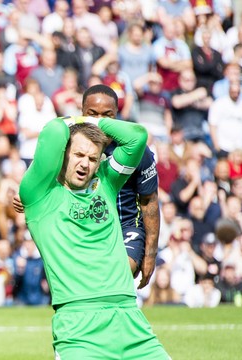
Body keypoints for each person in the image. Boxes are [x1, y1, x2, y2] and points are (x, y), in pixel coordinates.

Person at [18, 114, 169, 358]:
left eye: (92, 158)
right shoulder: (39, 194)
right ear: (64, 155)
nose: (85, 164)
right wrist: (80, 120)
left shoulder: (107, 183)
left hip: (130, 320)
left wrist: (93, 121)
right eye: (78, 155)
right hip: (79, 327)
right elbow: (54, 131)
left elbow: (137, 137)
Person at [15, 85, 161, 289]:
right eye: (92, 115)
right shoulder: (67, 145)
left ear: (117, 115)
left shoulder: (136, 151)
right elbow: (40, 178)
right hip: (85, 224)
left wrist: (151, 253)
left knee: (118, 275)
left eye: (107, 116)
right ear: (81, 113)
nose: (99, 122)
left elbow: (149, 200)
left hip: (126, 226)